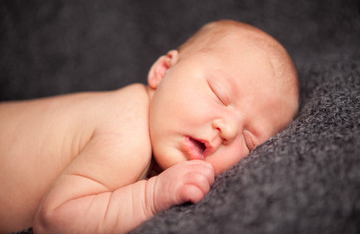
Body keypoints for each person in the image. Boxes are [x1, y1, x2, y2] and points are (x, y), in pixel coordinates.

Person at [0, 19, 299, 234]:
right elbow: (53, 222)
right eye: (220, 94)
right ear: (164, 70)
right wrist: (151, 197)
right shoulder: (128, 131)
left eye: (249, 140)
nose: (229, 129)